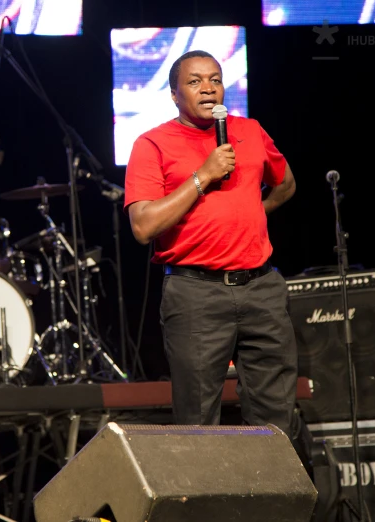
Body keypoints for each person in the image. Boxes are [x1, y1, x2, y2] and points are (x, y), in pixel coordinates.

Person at [123, 50, 298, 437]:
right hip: (196, 294)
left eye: (215, 79)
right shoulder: (152, 144)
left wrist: (253, 210)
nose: (208, 88)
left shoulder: (249, 130)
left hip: (262, 289)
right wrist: (202, 177)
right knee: (198, 422)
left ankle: (271, 496)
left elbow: (285, 184)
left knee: (277, 419)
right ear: (174, 94)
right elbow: (142, 226)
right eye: (195, 81)